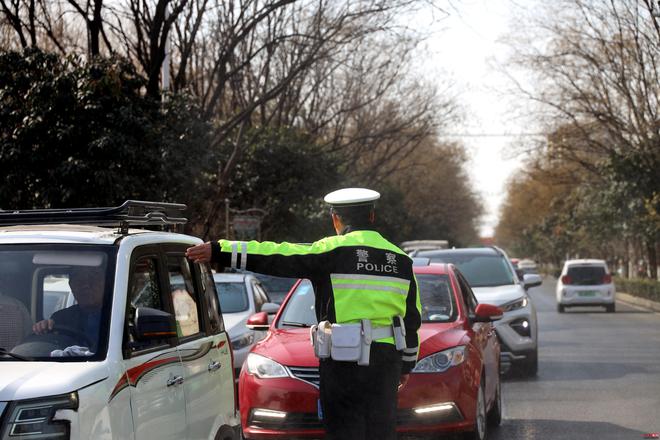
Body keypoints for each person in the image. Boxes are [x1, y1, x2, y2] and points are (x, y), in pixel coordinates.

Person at [186, 188, 421, 440]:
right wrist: (406, 365)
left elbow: (276, 255)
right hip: (386, 363)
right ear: (372, 216)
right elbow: (411, 321)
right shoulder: (401, 260)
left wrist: (220, 250)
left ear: (336, 219)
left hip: (343, 360)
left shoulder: (330, 250)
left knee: (344, 430)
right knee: (381, 430)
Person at [32, 266, 105, 352]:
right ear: (71, 286)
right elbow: (49, 346)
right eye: (79, 280)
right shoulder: (60, 317)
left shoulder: (118, 315)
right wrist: (42, 328)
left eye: (93, 276)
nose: (86, 285)